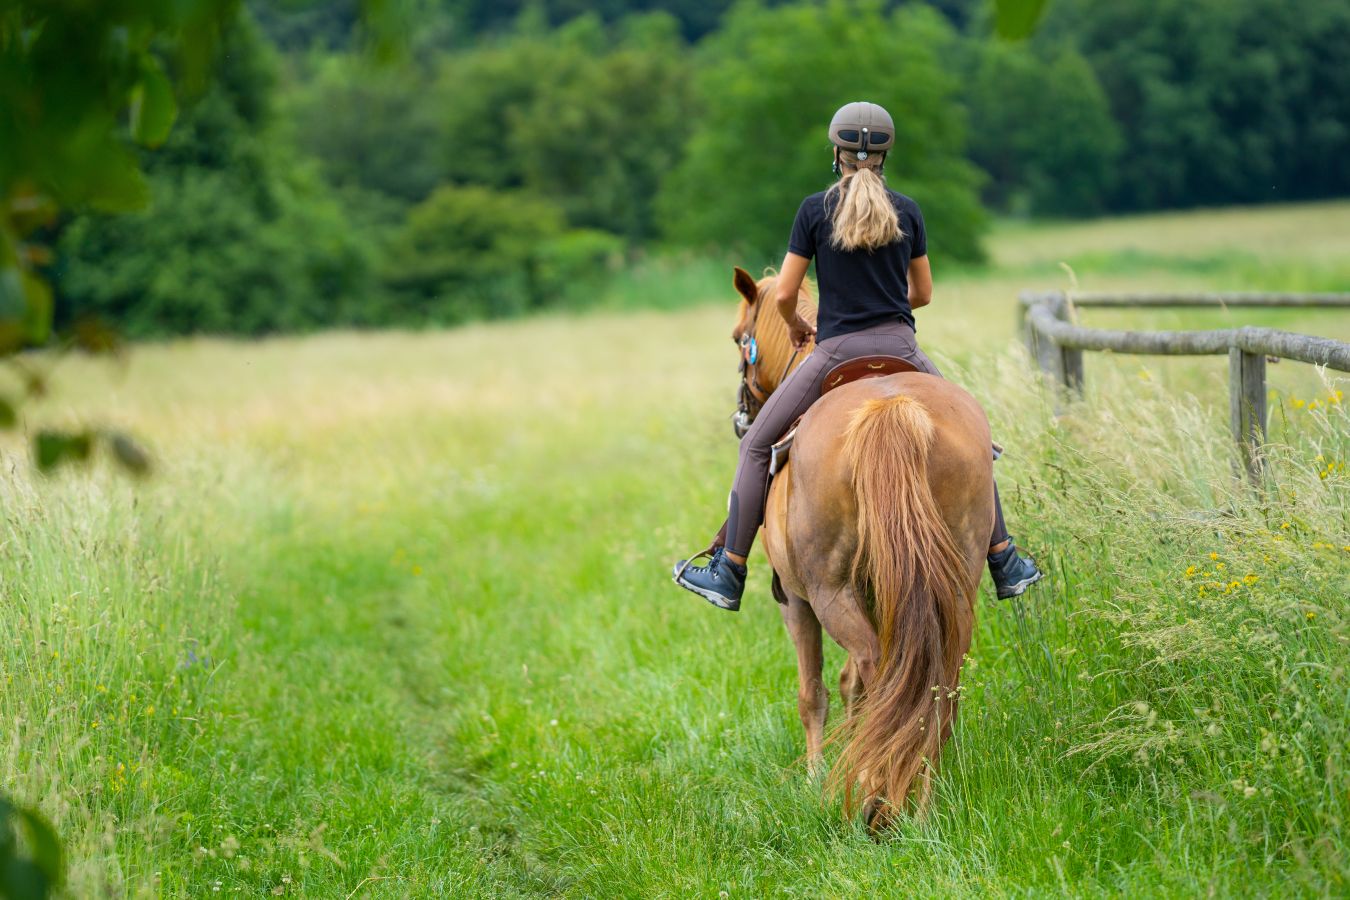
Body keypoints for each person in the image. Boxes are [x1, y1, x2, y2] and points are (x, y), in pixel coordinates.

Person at [673, 101, 1043, 612]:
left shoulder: (813, 210)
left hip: (835, 350)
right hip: (902, 347)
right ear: (885, 155)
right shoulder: (908, 210)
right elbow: (925, 293)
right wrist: (887, 305)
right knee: (976, 437)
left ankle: (729, 568)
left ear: (836, 153)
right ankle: (1004, 557)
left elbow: (782, 295)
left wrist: (804, 324)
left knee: (757, 445)